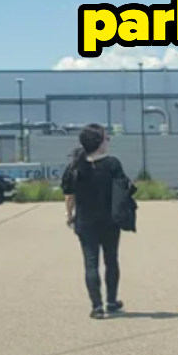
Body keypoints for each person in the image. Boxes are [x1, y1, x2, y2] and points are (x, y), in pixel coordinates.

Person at [61, 123, 129, 320]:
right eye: (106, 138)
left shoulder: (76, 165)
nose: (108, 141)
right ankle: (111, 300)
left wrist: (69, 215)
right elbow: (123, 189)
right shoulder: (112, 164)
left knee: (91, 263)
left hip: (85, 220)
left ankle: (96, 305)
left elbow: (69, 194)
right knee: (111, 260)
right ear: (99, 142)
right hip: (109, 220)